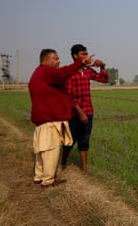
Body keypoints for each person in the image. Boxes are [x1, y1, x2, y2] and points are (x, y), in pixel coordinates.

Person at [29, 48, 93, 188]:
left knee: (42, 150)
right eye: (56, 58)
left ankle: (39, 176)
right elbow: (62, 74)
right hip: (50, 119)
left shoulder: (38, 73)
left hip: (43, 119)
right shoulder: (47, 72)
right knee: (51, 150)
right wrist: (80, 63)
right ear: (46, 60)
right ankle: (48, 180)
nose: (59, 61)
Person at [61, 44, 108, 174]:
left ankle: (84, 168)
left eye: (86, 54)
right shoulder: (68, 72)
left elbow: (104, 79)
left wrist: (103, 66)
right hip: (74, 113)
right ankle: (63, 164)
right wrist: (80, 112)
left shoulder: (87, 71)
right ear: (75, 56)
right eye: (83, 54)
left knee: (84, 140)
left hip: (88, 111)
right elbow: (68, 95)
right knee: (69, 140)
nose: (86, 56)